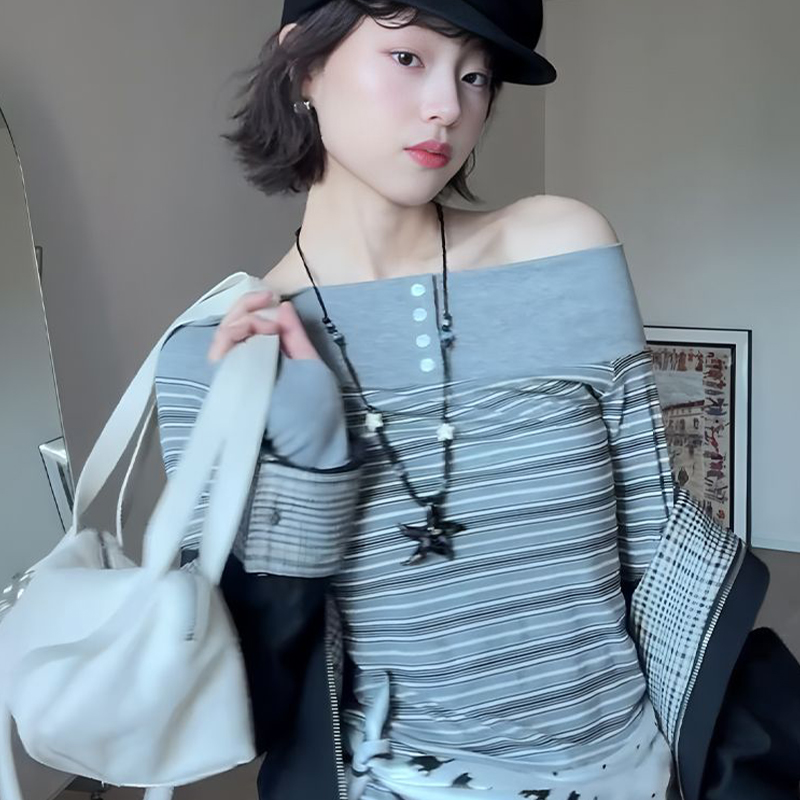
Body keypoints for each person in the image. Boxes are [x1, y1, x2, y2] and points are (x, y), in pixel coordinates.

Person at [153, 2, 780, 799]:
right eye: (409, 58)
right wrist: (305, 467)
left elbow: (658, 548)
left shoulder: (560, 247)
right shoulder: (220, 354)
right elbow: (250, 691)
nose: (449, 106)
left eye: (476, 75)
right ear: (304, 64)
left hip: (632, 769)